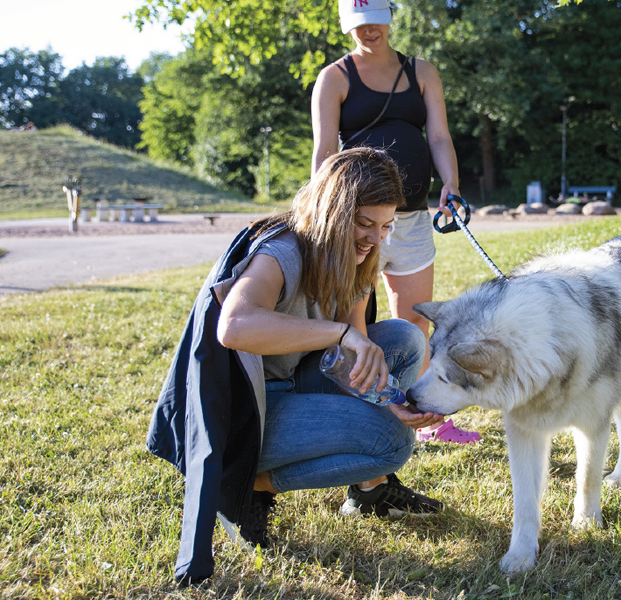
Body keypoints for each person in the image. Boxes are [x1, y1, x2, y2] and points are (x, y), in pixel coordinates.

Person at [148, 148, 446, 584]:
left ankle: (369, 493)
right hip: (245, 413)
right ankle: (250, 486)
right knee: (391, 445)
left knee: (402, 337)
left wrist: (392, 400)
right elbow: (234, 326)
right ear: (332, 211)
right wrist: (338, 334)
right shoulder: (283, 249)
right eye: (363, 223)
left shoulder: (358, 258)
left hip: (295, 383)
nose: (374, 238)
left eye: (386, 226)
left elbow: (353, 359)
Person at [311, 0, 481, 444]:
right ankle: (369, 412)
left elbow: (439, 135)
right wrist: (324, 211)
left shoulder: (421, 72)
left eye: (375, 21)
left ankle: (430, 418)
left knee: (414, 325)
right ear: (347, 25)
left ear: (390, 18)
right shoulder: (334, 78)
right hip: (357, 222)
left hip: (413, 217)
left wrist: (451, 183)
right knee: (357, 324)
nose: (368, 31)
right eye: (358, 24)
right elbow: (325, 151)